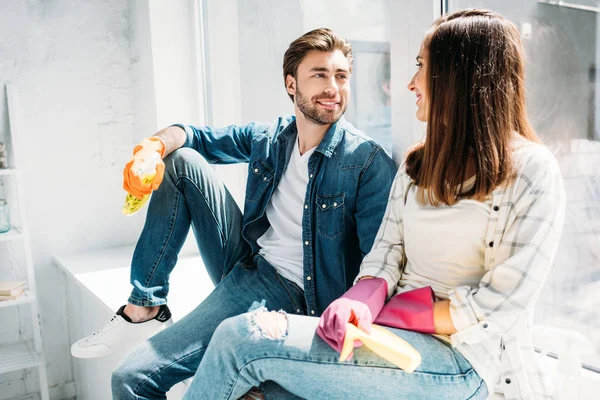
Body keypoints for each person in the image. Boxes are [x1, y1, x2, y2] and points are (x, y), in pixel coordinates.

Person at [183, 9, 566, 400]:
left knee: (239, 338)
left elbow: (498, 306)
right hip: (387, 338)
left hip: (459, 361)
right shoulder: (420, 164)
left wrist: (400, 313)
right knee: (265, 387)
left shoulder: (532, 173)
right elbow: (386, 252)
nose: (410, 83)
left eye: (422, 67)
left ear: (458, 78)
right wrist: (360, 300)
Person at [70, 27, 397, 398]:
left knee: (132, 378)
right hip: (248, 264)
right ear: (292, 85)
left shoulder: (365, 162)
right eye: (319, 75)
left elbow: (380, 268)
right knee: (181, 162)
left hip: (295, 296)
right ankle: (144, 304)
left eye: (341, 76)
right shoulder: (272, 137)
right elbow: (194, 136)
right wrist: (153, 147)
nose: (333, 88)